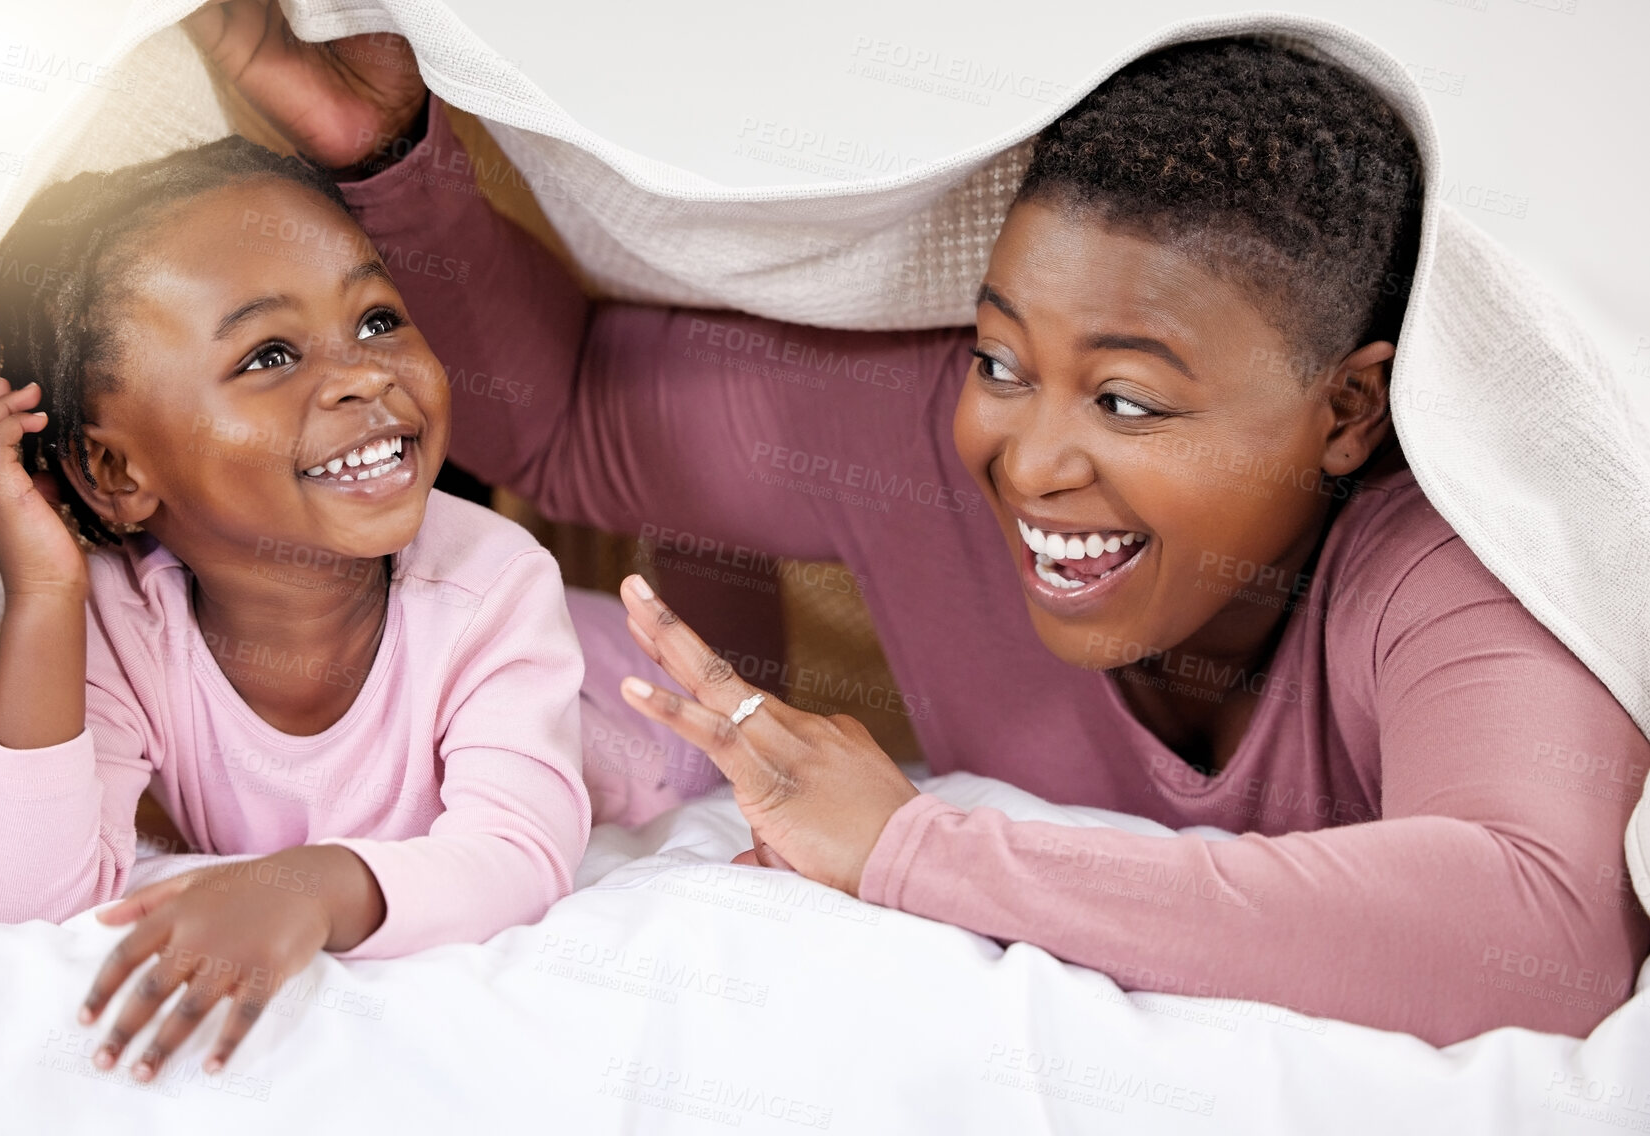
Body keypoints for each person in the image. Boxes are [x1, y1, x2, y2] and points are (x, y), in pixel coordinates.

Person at [189, 4, 1649, 1044]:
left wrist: (914, 850)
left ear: (1347, 411)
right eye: (1003, 361)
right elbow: (567, 416)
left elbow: (1542, 926)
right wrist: (387, 152)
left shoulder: (1443, 564)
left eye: (1130, 402)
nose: (1031, 458)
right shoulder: (914, 442)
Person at [0, 131, 590, 1079]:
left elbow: (520, 855)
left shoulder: (494, 581)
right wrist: (44, 591)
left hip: (627, 700)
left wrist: (306, 888)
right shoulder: (123, 623)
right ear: (115, 470)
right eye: (271, 354)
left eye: (376, 320)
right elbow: (12, 896)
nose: (367, 373)